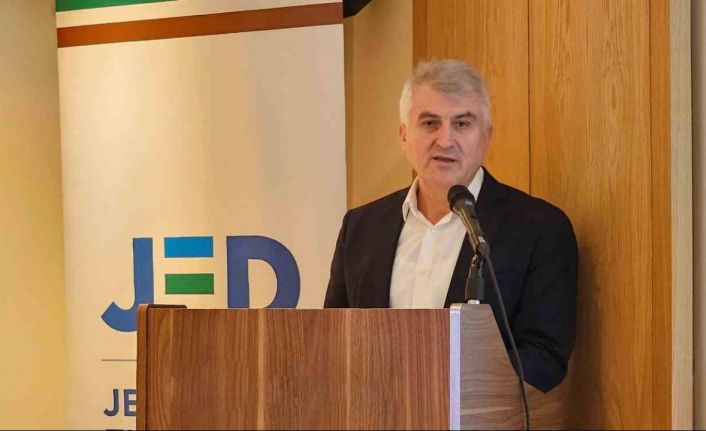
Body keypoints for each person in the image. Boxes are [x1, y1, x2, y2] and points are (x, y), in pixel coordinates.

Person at [324, 59, 578, 393]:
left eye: (462, 124)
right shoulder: (360, 228)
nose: (445, 140)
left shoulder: (540, 229)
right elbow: (331, 341)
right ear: (403, 135)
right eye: (430, 123)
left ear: (486, 137)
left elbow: (545, 357)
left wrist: (440, 387)